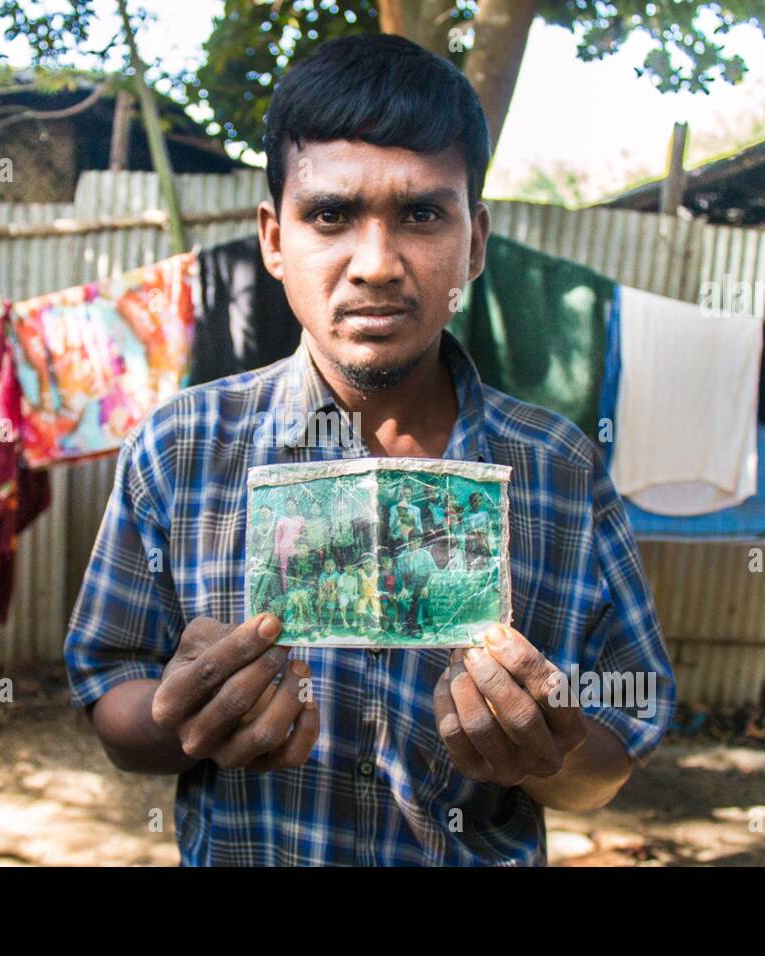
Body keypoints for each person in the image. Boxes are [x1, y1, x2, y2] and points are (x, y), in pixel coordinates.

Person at [66, 33, 675, 866]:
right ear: (274, 239)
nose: (377, 265)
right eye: (331, 215)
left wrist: (552, 751)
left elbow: (616, 750)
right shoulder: (181, 448)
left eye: (422, 214)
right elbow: (112, 701)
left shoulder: (559, 470)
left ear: (476, 242)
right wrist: (187, 718)